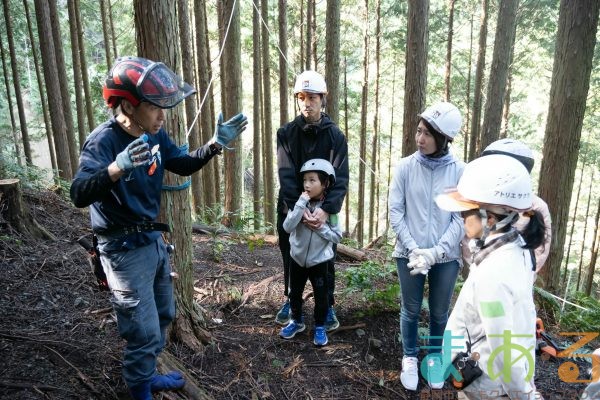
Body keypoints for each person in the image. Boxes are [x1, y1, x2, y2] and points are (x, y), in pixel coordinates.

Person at [70, 56, 247, 400]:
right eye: (154, 107)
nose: (162, 116)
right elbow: (78, 193)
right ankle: (139, 389)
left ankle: (148, 375)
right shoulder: (102, 142)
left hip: (151, 240)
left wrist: (214, 145)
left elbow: (179, 164)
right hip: (122, 250)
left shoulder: (155, 133)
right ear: (127, 105)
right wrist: (114, 170)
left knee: (165, 313)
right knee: (142, 329)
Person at [435, 154, 546, 399]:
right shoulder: (514, 246)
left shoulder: (494, 271)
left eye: (466, 214)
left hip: (487, 386)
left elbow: (503, 348)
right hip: (485, 376)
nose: (462, 220)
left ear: (490, 219)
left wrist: (524, 395)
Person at [388, 101, 465, 391]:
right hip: (408, 252)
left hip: (446, 257)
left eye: (428, 134)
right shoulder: (406, 167)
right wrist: (414, 248)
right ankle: (409, 357)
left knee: (438, 312)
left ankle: (434, 358)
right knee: (409, 309)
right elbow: (395, 210)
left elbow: (460, 218)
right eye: (419, 131)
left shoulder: (460, 170)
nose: (420, 139)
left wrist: (435, 252)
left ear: (444, 138)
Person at [275, 70, 349, 332]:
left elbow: (341, 178)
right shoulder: (286, 133)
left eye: (313, 97)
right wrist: (301, 206)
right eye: (302, 97)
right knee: (290, 253)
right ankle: (290, 300)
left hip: (324, 210)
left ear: (323, 99)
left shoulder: (335, 137)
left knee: (325, 258)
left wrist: (326, 211)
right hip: (292, 206)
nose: (307, 102)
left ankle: (327, 305)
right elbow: (286, 174)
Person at [279, 159, 342, 347]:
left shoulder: (330, 211)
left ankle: (320, 326)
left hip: (319, 262)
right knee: (294, 293)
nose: (307, 184)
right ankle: (296, 321)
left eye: (313, 180)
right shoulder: (298, 203)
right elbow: (287, 227)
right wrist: (300, 206)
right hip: (297, 259)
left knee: (321, 295)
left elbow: (337, 236)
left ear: (325, 183)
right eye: (305, 180)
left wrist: (319, 228)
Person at [479, 139, 551, 273]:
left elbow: (541, 246)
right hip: (481, 272)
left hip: (517, 277)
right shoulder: (482, 201)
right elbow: (469, 238)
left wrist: (524, 274)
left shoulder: (536, 206)